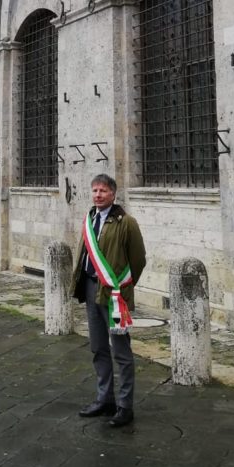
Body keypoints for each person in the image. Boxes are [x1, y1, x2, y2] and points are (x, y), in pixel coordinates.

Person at [70, 173, 146, 428]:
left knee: (121, 351)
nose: (98, 195)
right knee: (98, 347)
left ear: (113, 194)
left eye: (103, 191)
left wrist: (123, 287)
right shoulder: (89, 219)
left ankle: (125, 405)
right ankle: (105, 399)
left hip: (115, 296)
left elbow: (138, 259)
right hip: (92, 290)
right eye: (94, 191)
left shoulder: (127, 223)